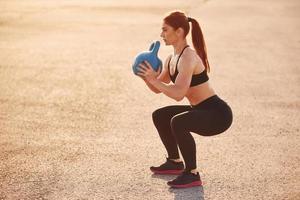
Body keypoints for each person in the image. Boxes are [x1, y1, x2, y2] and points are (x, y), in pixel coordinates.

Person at [136, 11, 233, 189]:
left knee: (178, 122)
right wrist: (146, 76)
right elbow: (159, 89)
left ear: (179, 31)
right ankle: (174, 161)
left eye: (165, 30)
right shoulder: (171, 59)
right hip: (200, 110)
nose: (161, 34)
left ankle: (192, 173)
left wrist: (154, 80)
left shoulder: (189, 58)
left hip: (218, 114)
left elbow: (179, 93)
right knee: (160, 115)